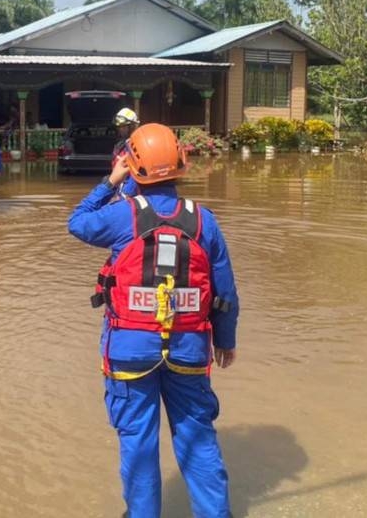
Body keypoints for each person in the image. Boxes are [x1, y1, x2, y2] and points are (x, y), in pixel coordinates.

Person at [68, 123, 239, 518]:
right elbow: (225, 291)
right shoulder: (204, 221)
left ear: (130, 165)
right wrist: (225, 341)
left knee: (139, 443)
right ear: (182, 162)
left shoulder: (120, 216)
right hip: (190, 349)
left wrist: (110, 182)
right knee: (197, 438)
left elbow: (77, 222)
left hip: (130, 352)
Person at [111, 107, 141, 200]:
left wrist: (126, 195)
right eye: (119, 127)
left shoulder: (137, 145)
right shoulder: (120, 145)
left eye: (123, 126)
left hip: (131, 195)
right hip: (120, 190)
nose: (120, 129)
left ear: (132, 126)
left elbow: (136, 174)